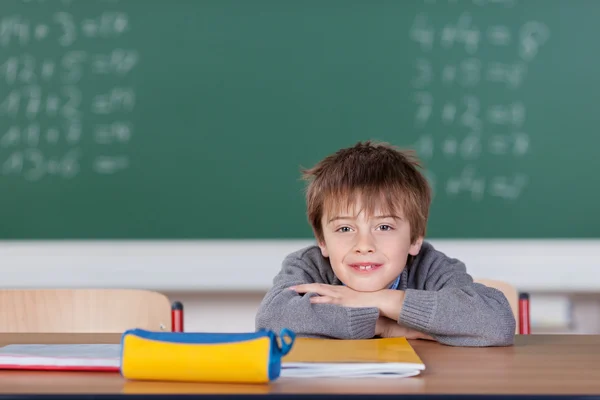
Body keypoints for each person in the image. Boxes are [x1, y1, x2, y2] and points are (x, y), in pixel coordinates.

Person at [255, 140, 515, 346]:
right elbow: (271, 321)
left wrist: (386, 300)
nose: (364, 245)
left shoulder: (430, 266)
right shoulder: (309, 266)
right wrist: (382, 325)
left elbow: (496, 323)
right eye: (345, 228)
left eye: (384, 227)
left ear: (414, 239)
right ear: (322, 240)